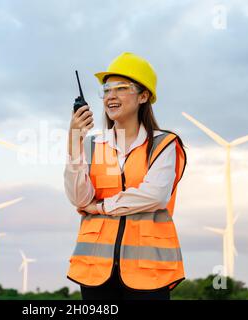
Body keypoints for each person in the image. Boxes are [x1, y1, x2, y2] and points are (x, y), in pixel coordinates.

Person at [64, 52, 187, 300]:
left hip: (148, 271)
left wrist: (101, 207)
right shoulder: (90, 145)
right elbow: (79, 198)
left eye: (121, 88)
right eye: (107, 89)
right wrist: (74, 142)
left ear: (143, 96)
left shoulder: (163, 144)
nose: (111, 96)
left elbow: (154, 196)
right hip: (95, 271)